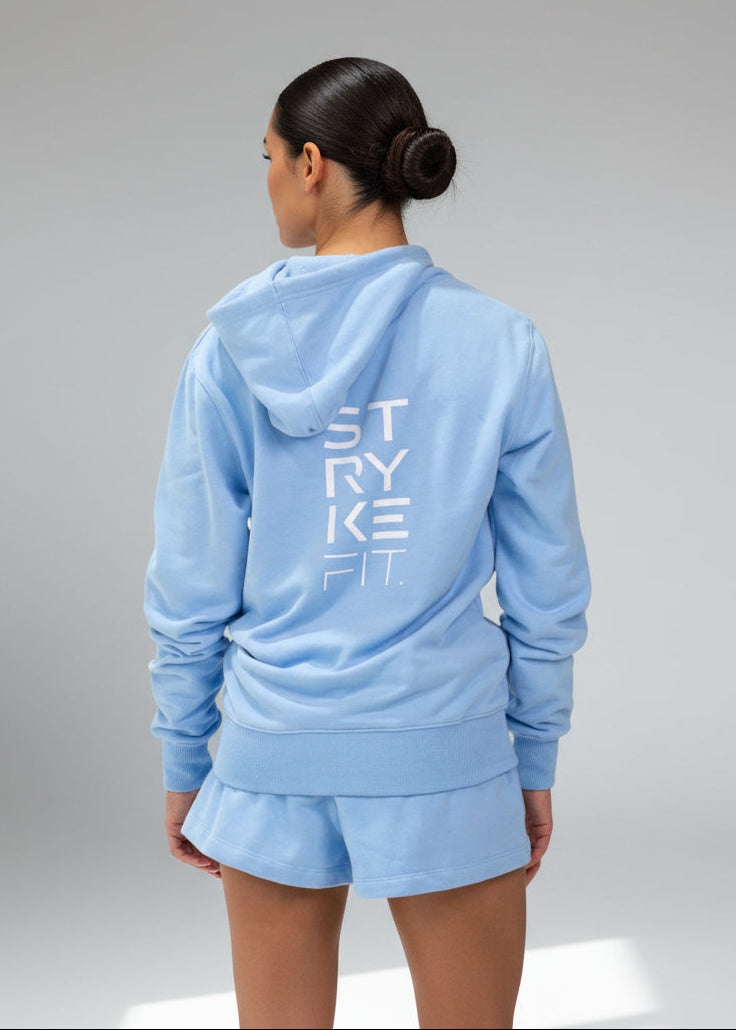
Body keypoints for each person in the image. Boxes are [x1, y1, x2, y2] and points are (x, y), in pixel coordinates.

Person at [143, 56, 592, 1030]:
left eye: (267, 157)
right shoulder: (500, 342)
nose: (267, 179)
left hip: (273, 751)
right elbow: (547, 584)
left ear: (311, 164)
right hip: (447, 747)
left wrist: (186, 754)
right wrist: (532, 753)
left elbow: (190, 581)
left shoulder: (231, 350)